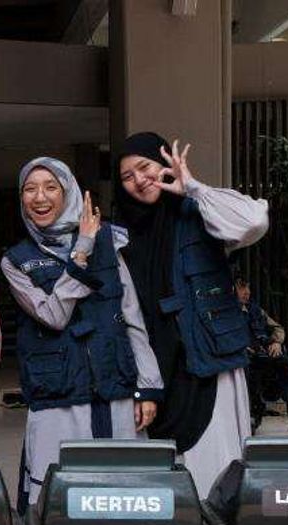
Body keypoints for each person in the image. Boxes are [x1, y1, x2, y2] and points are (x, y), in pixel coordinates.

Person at [2, 157, 163, 509]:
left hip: (115, 391)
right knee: (59, 501)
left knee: (125, 498)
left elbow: (131, 316)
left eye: (50, 187)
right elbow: (54, 315)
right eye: (29, 189)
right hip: (58, 398)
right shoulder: (17, 260)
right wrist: (81, 251)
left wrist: (148, 387)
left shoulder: (109, 241)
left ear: (68, 192)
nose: (39, 197)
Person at [115, 133, 269, 495]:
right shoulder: (118, 234)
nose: (139, 180)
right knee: (159, 490)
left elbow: (254, 221)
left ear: (164, 164)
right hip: (150, 372)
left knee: (217, 478)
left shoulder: (200, 214)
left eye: (145, 167)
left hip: (207, 364)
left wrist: (194, 188)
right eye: (126, 176)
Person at [235, 276, 288, 423]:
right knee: (250, 373)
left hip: (265, 354)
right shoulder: (227, 313)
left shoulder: (256, 310)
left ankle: (267, 397)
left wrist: (277, 342)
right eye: (242, 288)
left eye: (248, 288)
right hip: (243, 359)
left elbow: (277, 328)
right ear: (232, 289)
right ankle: (254, 414)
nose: (247, 292)